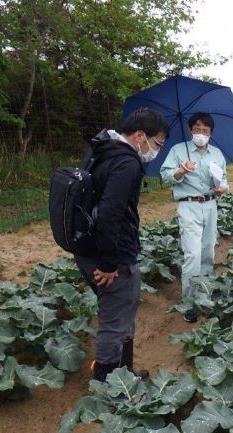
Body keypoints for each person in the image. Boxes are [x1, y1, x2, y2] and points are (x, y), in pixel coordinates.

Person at [74, 108, 170, 382]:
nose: (157, 150)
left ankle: (124, 373)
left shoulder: (100, 149)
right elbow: (110, 213)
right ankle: (108, 382)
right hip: (112, 255)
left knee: (121, 312)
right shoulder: (126, 163)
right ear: (140, 136)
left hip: (87, 248)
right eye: (158, 143)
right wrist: (108, 264)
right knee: (115, 319)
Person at [160, 113, 229, 323]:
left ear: (211, 133)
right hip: (188, 205)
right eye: (197, 129)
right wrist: (181, 170)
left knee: (208, 251)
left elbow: (224, 178)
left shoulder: (216, 154)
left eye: (205, 131)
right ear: (191, 130)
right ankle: (189, 303)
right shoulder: (178, 150)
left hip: (210, 205)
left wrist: (222, 188)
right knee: (192, 254)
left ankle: (205, 294)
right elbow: (165, 175)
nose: (201, 134)